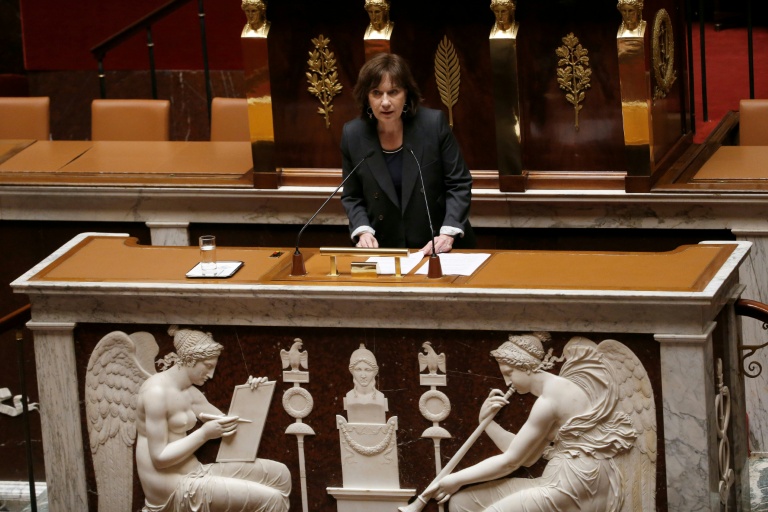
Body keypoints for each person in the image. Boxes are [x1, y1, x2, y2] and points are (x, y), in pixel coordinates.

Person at [428, 333, 638, 512]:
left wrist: (455, 479)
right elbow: (528, 456)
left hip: (577, 483)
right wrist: (487, 423)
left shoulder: (550, 399)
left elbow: (512, 461)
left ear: (526, 366)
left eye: (509, 373)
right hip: (560, 477)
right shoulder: (553, 393)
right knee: (462, 502)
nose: (507, 382)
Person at [136, 326, 291, 512]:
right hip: (170, 487)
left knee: (280, 474)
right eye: (208, 366)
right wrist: (204, 434)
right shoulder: (156, 393)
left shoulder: (190, 393)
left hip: (195, 472)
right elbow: (159, 458)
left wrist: (253, 393)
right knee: (272, 500)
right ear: (190, 359)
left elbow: (231, 425)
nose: (211, 375)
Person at [341, 52, 475, 254]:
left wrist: (448, 234)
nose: (385, 102)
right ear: (366, 97)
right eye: (376, 93)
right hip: (386, 249)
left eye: (393, 92)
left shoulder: (432, 125)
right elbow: (352, 196)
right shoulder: (353, 134)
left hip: (440, 245)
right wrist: (363, 231)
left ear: (406, 94)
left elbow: (459, 183)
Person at [343, 343, 388, 423]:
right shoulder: (349, 396)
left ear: (374, 372)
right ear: (352, 372)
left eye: (368, 370)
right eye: (358, 369)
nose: (363, 375)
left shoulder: (380, 397)